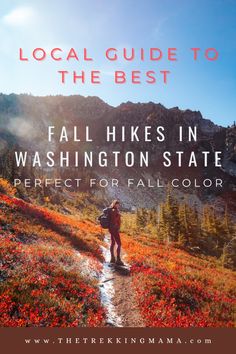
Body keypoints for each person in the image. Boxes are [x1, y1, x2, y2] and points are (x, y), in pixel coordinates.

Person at [108, 199, 124, 265]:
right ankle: (118, 259)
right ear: (114, 204)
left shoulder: (111, 210)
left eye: (118, 204)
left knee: (113, 243)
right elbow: (114, 220)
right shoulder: (114, 210)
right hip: (114, 229)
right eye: (117, 204)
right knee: (119, 243)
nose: (118, 205)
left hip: (111, 228)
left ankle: (112, 258)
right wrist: (118, 216)